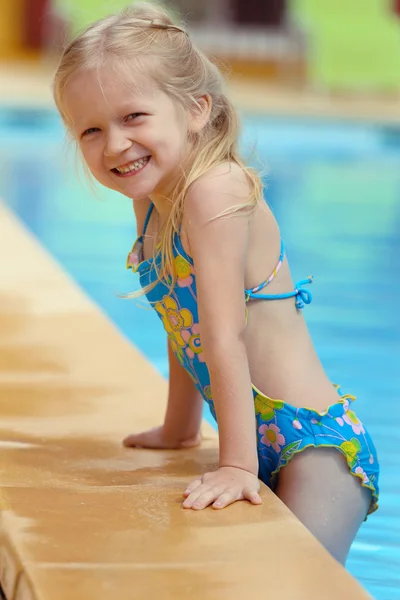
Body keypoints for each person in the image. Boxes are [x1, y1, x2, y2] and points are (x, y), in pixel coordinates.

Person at [53, 1, 379, 565]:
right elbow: (182, 318)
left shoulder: (216, 191)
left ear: (196, 109)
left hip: (314, 449)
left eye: (133, 117)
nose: (113, 146)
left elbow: (223, 335)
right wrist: (180, 427)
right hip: (260, 442)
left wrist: (236, 465)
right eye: (90, 129)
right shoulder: (154, 201)